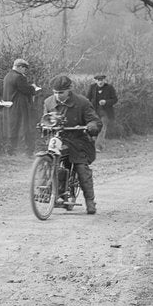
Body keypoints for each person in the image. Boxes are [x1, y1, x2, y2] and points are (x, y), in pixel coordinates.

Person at [42, 74, 102, 214]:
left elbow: (95, 121)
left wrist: (91, 126)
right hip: (58, 139)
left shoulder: (82, 102)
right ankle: (49, 192)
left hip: (78, 140)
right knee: (48, 161)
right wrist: (44, 126)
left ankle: (90, 201)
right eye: (55, 92)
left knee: (81, 168)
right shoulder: (48, 102)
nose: (58, 96)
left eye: (61, 93)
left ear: (69, 90)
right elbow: (45, 120)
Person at [1, 58, 37, 155]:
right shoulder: (19, 77)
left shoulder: (7, 76)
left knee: (13, 128)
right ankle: (28, 151)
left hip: (10, 105)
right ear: (20, 67)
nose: (25, 70)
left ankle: (10, 150)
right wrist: (33, 88)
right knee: (26, 127)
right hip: (20, 106)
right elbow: (25, 89)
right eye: (25, 68)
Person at [86, 74, 118, 151]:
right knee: (92, 128)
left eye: (101, 80)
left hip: (105, 112)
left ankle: (98, 146)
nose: (100, 82)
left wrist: (106, 102)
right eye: (98, 80)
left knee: (103, 128)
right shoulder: (92, 87)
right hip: (94, 112)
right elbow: (87, 99)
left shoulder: (109, 88)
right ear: (95, 81)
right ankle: (92, 145)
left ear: (104, 80)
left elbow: (115, 99)